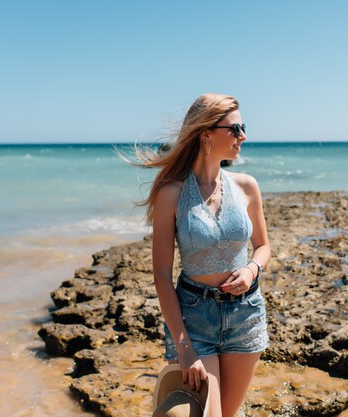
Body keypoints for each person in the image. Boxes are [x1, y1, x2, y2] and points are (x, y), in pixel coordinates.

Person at [135, 93, 270, 417]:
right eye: (235, 129)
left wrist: (251, 270)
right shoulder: (172, 193)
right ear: (206, 134)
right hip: (194, 317)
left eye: (243, 128)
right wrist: (184, 348)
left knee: (226, 415)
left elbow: (263, 247)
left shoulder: (247, 186)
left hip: (245, 314)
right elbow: (161, 278)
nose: (243, 136)